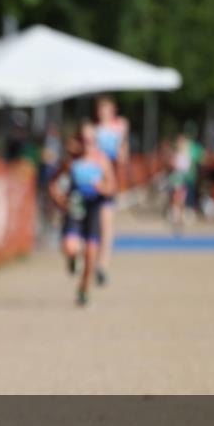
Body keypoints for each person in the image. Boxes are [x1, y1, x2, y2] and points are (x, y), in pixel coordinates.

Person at [49, 122, 117, 306]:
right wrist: (60, 200)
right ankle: (72, 259)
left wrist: (102, 187)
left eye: (91, 140)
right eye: (84, 140)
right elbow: (53, 183)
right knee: (70, 247)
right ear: (79, 141)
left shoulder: (102, 161)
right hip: (75, 207)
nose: (88, 144)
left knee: (90, 256)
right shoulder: (72, 161)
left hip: (94, 208)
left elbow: (112, 187)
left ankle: (83, 290)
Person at [93, 95, 128, 286]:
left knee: (107, 226)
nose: (102, 112)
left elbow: (123, 155)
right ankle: (90, 259)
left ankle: (102, 266)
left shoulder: (119, 127)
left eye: (106, 108)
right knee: (93, 226)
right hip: (91, 183)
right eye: (100, 109)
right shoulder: (93, 131)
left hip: (109, 184)